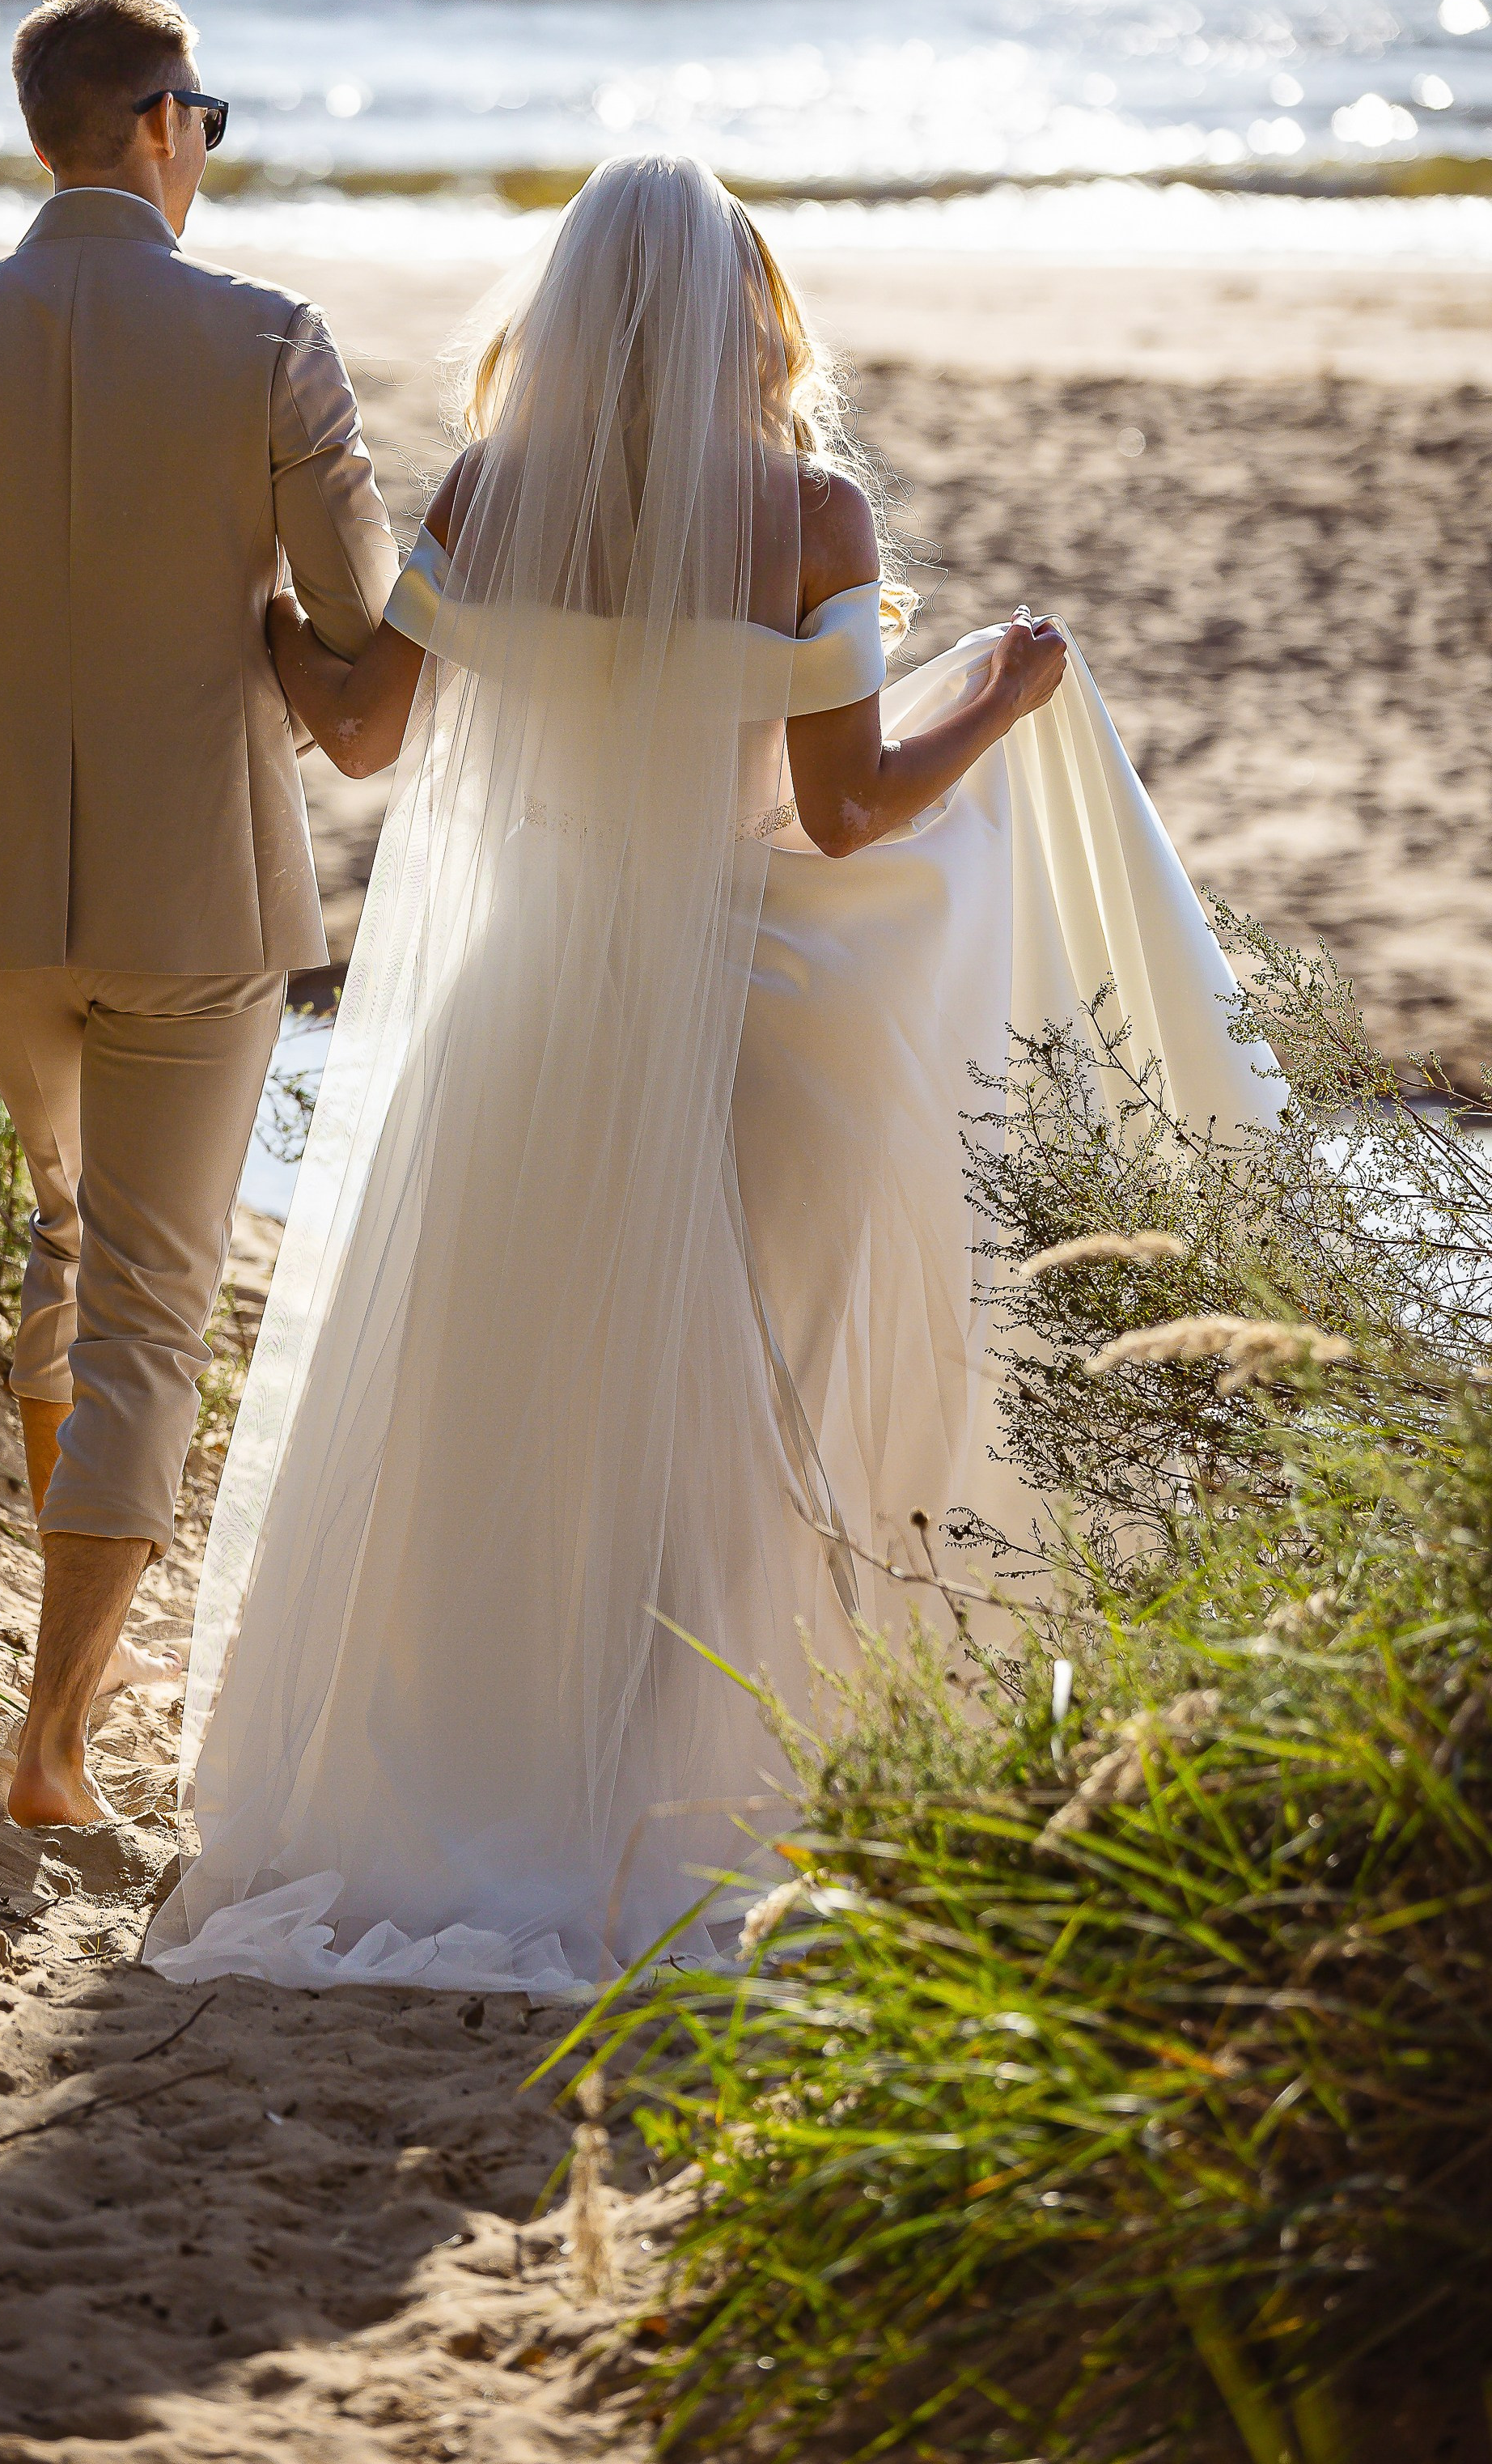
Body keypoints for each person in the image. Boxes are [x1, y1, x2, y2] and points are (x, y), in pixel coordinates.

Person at [144, 151, 1282, 1998]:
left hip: (526, 1013)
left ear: (576, 309)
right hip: (753, 1020)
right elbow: (850, 812)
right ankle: (692, 1792)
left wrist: (262, 615)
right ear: (748, 310)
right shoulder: (812, 513)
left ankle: (499, 1764)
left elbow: (357, 735)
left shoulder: (492, 492)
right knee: (744, 1420)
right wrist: (997, 699)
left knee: (527, 1413)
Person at [0, 0, 398, 1830]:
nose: (203, 146)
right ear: (155, 123)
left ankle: (82, 1659)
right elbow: (359, 616)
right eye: (203, 116)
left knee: (66, 1239)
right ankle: (54, 1736)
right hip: (195, 894)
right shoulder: (266, 337)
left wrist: (10, 677)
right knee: (150, 1307)